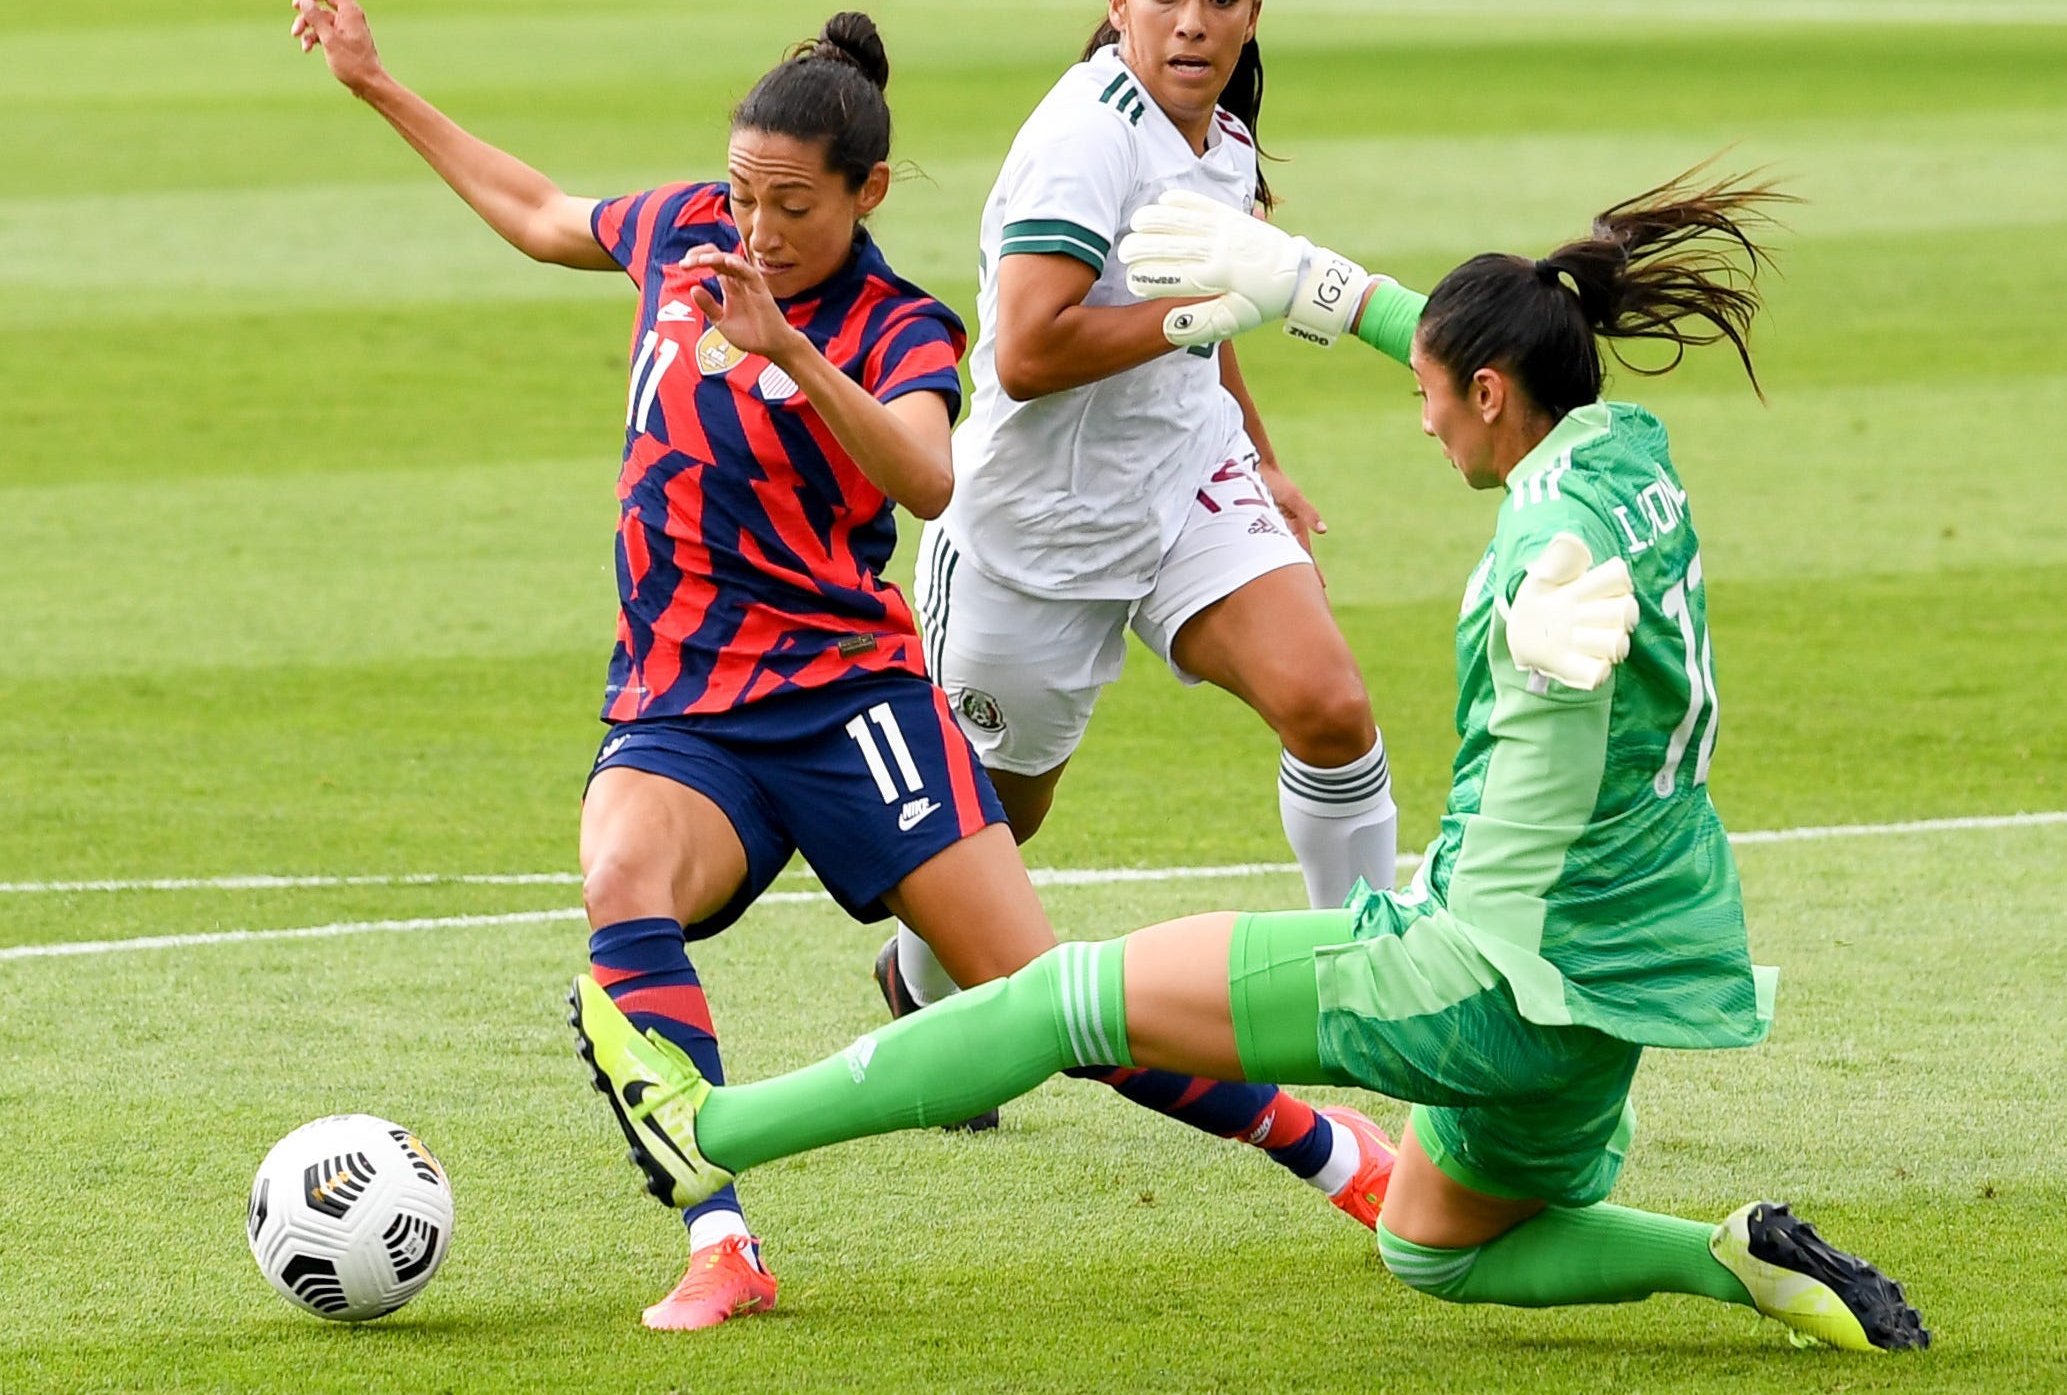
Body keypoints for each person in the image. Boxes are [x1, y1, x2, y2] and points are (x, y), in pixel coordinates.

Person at [566, 169, 1931, 1353]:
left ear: (1490, 394)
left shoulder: (1540, 566)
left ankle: (712, 1128)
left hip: (1472, 975)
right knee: (1434, 1247)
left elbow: (1538, 773)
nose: (1420, 420)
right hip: (1616, 995)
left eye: (1428, 398)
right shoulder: (1629, 454)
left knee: (1059, 1001)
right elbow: (1460, 341)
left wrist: (1541, 671)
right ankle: (1726, 1251)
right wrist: (1301, 282)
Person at [287, 0, 1395, 1331]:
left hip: (850, 704)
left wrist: (791, 355)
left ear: (864, 194)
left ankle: (1337, 1152)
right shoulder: (686, 231)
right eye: (742, 197)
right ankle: (720, 1237)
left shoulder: (895, 324)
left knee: (1045, 1002)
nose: (753, 231)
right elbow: (537, 212)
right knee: (622, 881)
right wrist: (376, 82)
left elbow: (925, 476)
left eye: (790, 207)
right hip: (684, 709)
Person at [879, 0, 1398, 1030]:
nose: (1194, 22)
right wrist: (1203, 313)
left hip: (1188, 485)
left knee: (1329, 705)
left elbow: (1214, 309)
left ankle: (1381, 995)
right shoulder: (1082, 139)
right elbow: (1024, 349)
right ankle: (915, 976)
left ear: (1255, 11)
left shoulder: (1223, 131)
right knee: (1004, 819)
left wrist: (1259, 452)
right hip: (1032, 532)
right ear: (1119, 3)